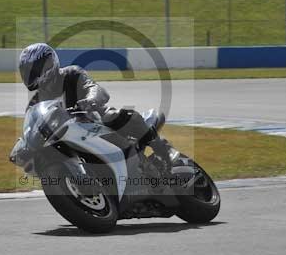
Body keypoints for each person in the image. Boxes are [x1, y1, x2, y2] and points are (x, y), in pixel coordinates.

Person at [18, 42, 171, 175]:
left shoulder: (71, 74)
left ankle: (162, 152)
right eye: (29, 72)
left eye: (35, 71)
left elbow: (94, 88)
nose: (33, 76)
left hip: (96, 121)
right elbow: (31, 128)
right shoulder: (36, 103)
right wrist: (25, 147)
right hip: (70, 138)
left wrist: (90, 100)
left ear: (49, 64)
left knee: (113, 115)